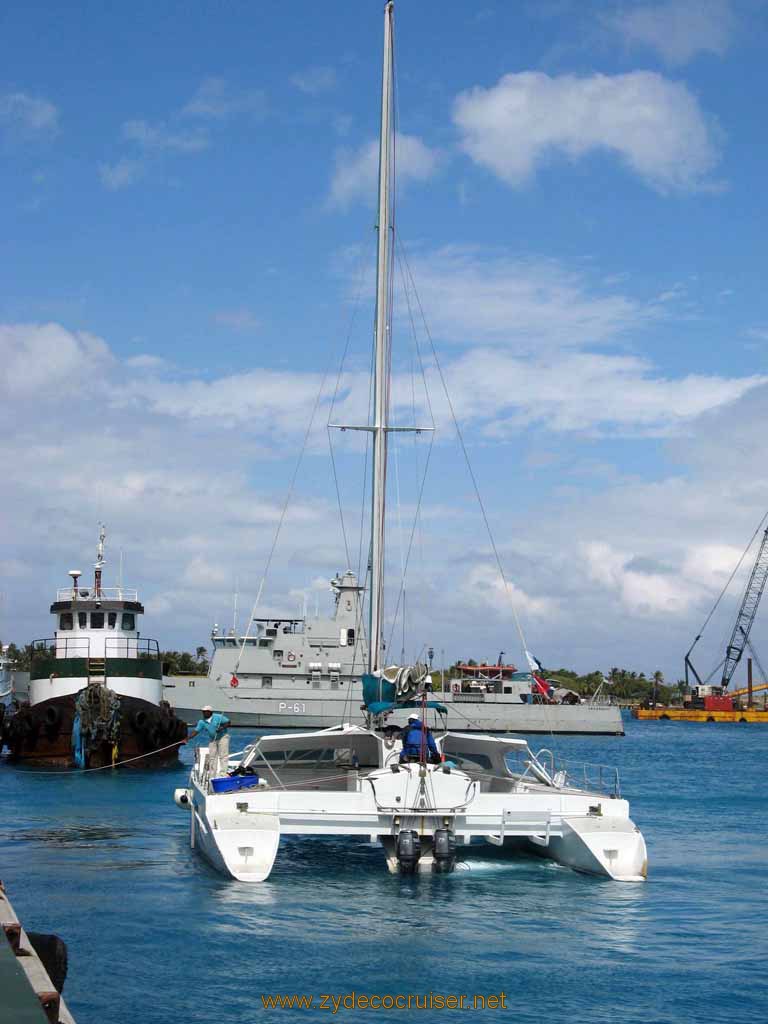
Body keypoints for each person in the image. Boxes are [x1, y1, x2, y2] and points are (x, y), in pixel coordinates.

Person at [185, 705, 231, 778]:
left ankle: (223, 773)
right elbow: (196, 731)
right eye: (203, 712)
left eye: (206, 712)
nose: (204, 713)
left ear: (210, 712)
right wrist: (188, 738)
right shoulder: (202, 722)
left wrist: (222, 728)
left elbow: (228, 722)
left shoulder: (218, 717)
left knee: (223, 756)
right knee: (212, 757)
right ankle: (212, 774)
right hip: (212, 739)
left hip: (223, 737)